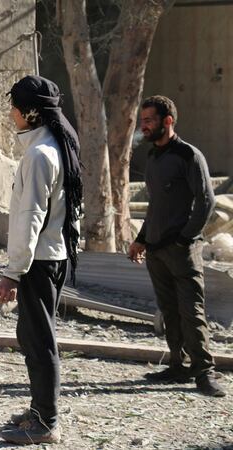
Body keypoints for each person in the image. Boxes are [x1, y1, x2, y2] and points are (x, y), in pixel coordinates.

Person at [0, 75, 83, 445]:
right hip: (50, 257)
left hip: (39, 262)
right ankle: (38, 410)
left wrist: (12, 273)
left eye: (14, 105)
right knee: (31, 337)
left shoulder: (40, 154)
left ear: (29, 112)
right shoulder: (53, 146)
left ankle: (46, 422)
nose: (10, 112)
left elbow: (30, 217)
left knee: (40, 341)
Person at [128, 95, 225, 398]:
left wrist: (185, 238)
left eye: (149, 120)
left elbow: (206, 201)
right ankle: (178, 365)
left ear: (167, 121)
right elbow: (156, 206)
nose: (144, 126)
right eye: (142, 121)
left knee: (191, 312)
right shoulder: (154, 158)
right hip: (156, 251)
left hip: (181, 251)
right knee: (169, 311)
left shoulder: (188, 155)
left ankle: (204, 373)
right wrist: (141, 239)